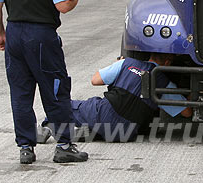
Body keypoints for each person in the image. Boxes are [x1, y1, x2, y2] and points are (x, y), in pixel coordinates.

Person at [0, 0, 89, 164]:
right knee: (55, 89)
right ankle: (64, 145)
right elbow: (63, 6)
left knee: (20, 94)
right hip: (42, 36)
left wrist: (1, 35)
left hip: (14, 33)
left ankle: (25, 147)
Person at [40, 53, 192, 143]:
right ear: (167, 63)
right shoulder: (164, 83)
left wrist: (117, 65)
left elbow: (95, 80)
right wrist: (191, 93)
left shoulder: (127, 63)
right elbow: (187, 112)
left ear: (150, 55)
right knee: (102, 125)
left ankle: (47, 125)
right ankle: (89, 131)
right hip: (128, 132)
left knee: (70, 105)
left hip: (105, 112)